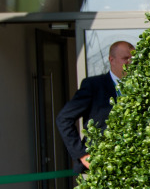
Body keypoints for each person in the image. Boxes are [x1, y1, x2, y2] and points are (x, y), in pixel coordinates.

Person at [57, 40, 133, 170]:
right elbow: (64, 118)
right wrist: (82, 155)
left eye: (133, 58)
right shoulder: (94, 86)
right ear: (111, 59)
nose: (130, 62)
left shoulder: (139, 87)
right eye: (125, 58)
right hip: (101, 164)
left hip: (132, 163)